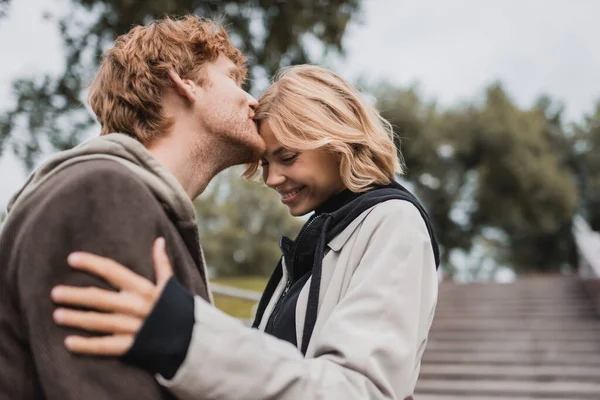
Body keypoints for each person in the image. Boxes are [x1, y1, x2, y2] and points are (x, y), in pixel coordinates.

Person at [50, 65, 440, 399]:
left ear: (337, 139)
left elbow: (359, 391)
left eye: (286, 157)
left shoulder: (393, 222)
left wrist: (187, 337)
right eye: (265, 162)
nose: (271, 178)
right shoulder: (320, 238)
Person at [0, 15, 264, 399]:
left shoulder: (126, 198)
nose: (253, 100)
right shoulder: (99, 195)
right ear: (183, 81)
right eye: (232, 79)